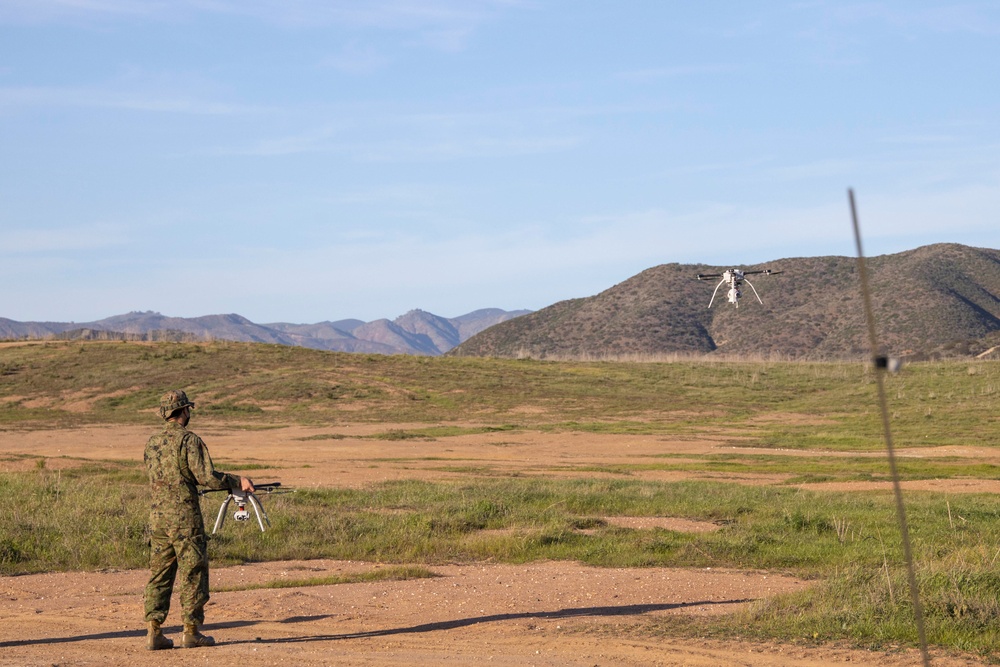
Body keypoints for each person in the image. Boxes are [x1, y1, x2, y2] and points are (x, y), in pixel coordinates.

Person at [143, 389, 254, 650]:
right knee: (193, 571)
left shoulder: (152, 442)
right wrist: (238, 481)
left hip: (158, 519)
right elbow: (206, 476)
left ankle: (153, 632)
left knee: (159, 575)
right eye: (188, 410)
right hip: (184, 519)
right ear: (183, 411)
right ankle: (191, 631)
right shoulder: (189, 440)